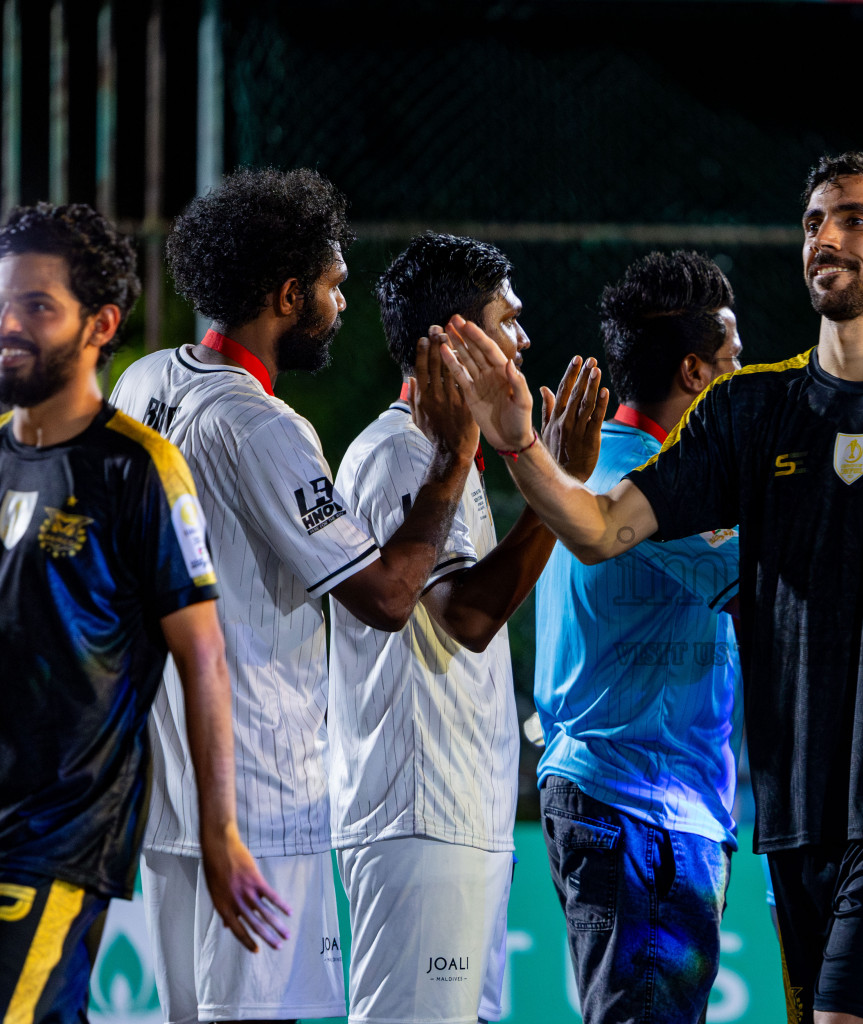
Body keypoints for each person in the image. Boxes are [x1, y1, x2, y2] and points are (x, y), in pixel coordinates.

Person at [441, 151, 863, 1024]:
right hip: (791, 810)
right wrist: (521, 447)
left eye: (855, 219)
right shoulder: (750, 406)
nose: (826, 235)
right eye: (815, 221)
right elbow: (597, 532)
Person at [111, 168, 476, 1024]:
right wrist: (455, 459)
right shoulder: (265, 429)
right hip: (260, 804)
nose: (341, 303)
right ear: (287, 295)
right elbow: (386, 597)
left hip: (174, 802)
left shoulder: (146, 383)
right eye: (332, 285)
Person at [0, 202, 283, 1023]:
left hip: (58, 840)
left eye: (38, 308)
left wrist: (219, 831)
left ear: (102, 325)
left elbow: (204, 660)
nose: (10, 325)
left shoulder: (139, 470)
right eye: (5, 303)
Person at [328, 232, 606, 1024]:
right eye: (507, 322)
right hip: (418, 816)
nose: (524, 341)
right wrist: (560, 490)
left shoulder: (453, 457)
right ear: (457, 342)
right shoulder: (394, 456)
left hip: (460, 816)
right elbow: (469, 618)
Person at [533, 250, 743, 1023]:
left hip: (600, 792)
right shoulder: (662, 484)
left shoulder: (586, 466)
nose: (742, 380)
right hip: (643, 809)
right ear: (694, 370)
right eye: (734, 362)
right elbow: (778, 595)